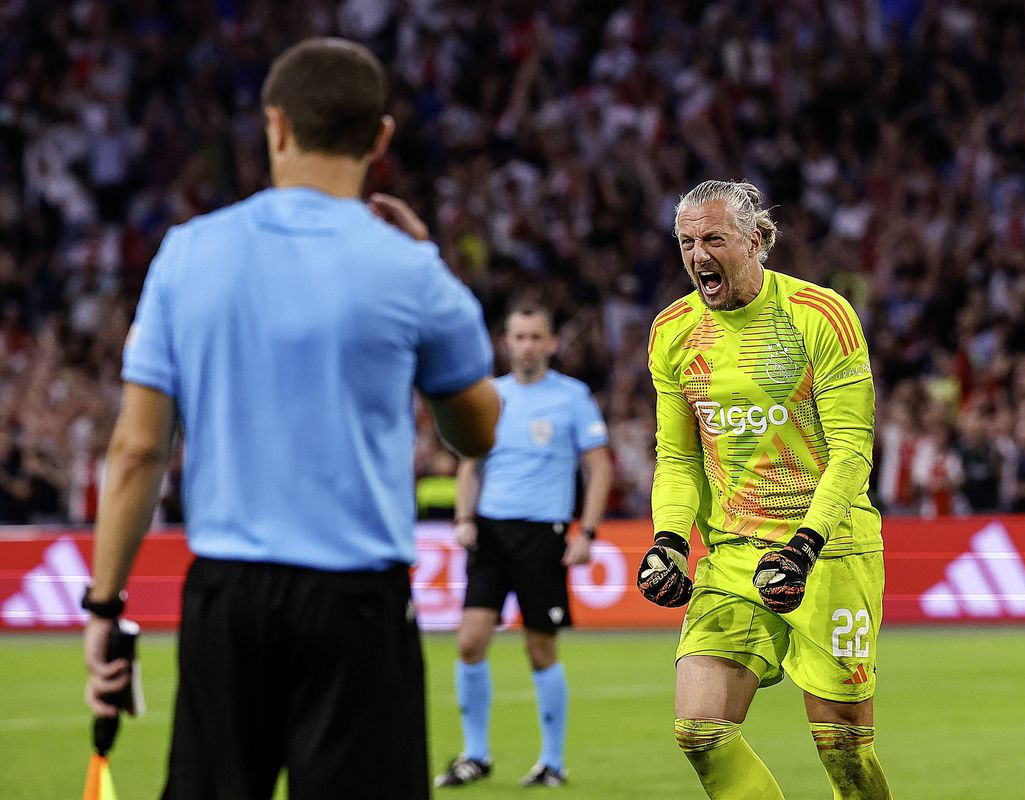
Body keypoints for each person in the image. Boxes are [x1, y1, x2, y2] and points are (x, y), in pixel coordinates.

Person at [81, 38, 500, 800]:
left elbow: (138, 452)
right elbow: (476, 432)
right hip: (357, 605)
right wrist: (430, 267)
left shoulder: (185, 254)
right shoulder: (410, 270)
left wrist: (105, 605)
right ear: (379, 139)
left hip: (227, 602)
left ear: (275, 126)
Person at [637, 180, 892, 799]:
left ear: (756, 241)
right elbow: (677, 454)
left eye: (713, 239)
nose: (698, 255)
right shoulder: (673, 331)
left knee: (844, 752)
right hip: (733, 555)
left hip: (828, 552)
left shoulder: (818, 315)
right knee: (700, 730)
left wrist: (805, 546)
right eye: (687, 241)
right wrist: (669, 540)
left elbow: (854, 449)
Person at [436, 304, 612, 789]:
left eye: (536, 336)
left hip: (542, 535)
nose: (528, 345)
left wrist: (588, 533)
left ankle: (552, 762)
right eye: (519, 337)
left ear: (551, 343)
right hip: (490, 532)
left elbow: (598, 467)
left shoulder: (573, 397)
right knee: (470, 641)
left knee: (540, 649)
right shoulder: (489, 395)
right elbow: (471, 464)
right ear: (506, 343)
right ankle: (476, 755)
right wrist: (464, 518)